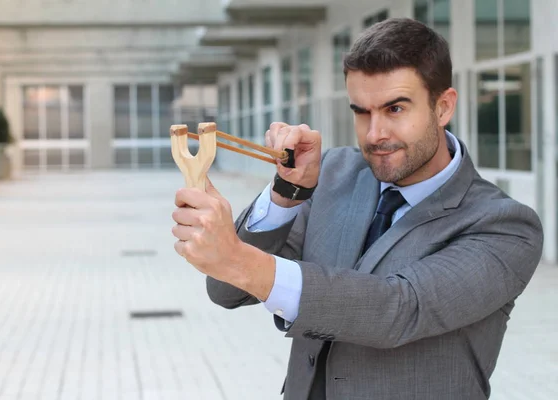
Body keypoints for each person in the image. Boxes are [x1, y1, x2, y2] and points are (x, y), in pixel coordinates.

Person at [171, 18, 544, 400]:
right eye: (361, 111)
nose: (374, 133)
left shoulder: (505, 226)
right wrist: (286, 193)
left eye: (395, 109)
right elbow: (227, 290)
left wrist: (234, 256)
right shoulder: (334, 172)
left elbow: (397, 309)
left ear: (443, 106)